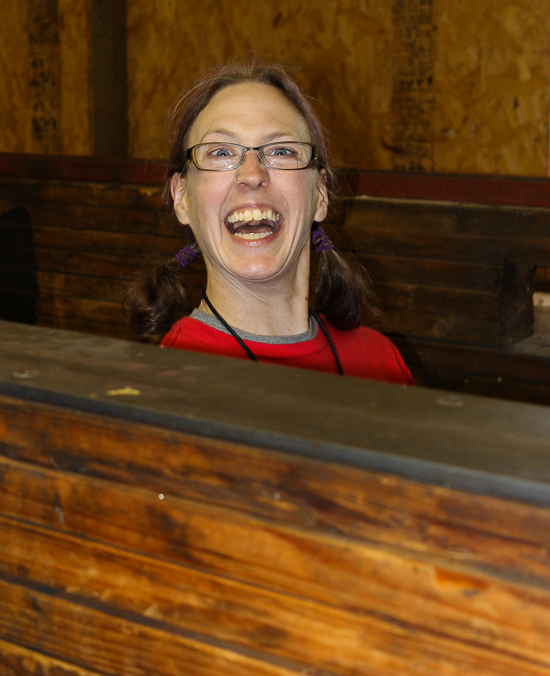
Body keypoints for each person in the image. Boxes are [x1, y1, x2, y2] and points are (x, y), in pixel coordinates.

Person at [124, 61, 414, 386]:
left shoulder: (381, 362)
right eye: (220, 152)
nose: (251, 175)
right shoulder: (165, 381)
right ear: (181, 197)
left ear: (321, 194)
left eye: (281, 151)